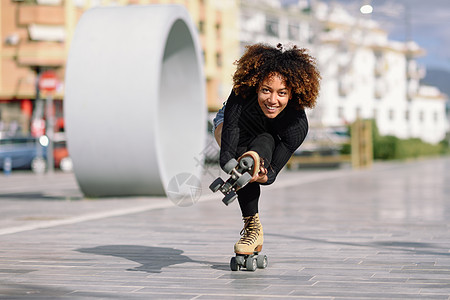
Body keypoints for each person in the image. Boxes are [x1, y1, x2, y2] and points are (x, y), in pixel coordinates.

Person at [212, 43, 321, 256]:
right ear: (256, 86)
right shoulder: (241, 94)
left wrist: (259, 173)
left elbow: (271, 175)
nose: (272, 100)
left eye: (282, 93)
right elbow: (227, 150)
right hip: (235, 123)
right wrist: (234, 166)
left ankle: (253, 227)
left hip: (269, 139)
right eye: (265, 90)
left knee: (263, 142)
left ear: (292, 94)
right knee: (241, 152)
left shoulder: (296, 127)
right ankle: (252, 228)